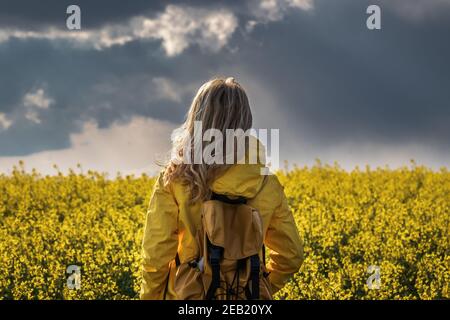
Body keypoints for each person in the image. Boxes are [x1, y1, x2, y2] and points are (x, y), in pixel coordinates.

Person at [140, 77, 303, 299]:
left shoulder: (176, 179)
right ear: (245, 122)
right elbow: (291, 256)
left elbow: (156, 256)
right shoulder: (267, 183)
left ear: (198, 118)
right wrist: (259, 287)